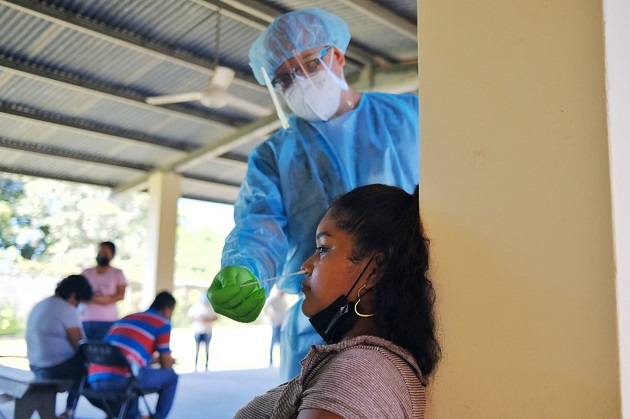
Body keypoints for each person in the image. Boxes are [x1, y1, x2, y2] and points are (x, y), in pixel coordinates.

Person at [209, 8, 420, 381]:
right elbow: (259, 225)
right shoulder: (275, 155)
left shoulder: (412, 117)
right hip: (319, 324)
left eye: (308, 63)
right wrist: (247, 266)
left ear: (337, 56)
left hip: (412, 302)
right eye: (284, 78)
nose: (298, 81)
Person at [234, 184, 440, 418]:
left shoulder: (357, 374)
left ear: (374, 270)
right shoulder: (370, 368)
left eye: (323, 248)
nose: (305, 266)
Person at [87, 291, 179, 419]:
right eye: (172, 312)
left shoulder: (128, 317)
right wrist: (168, 360)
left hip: (94, 378)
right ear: (167, 309)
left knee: (137, 374)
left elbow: (125, 355)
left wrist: (154, 360)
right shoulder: (162, 322)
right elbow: (166, 364)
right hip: (123, 379)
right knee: (171, 377)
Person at [26, 274, 93, 419]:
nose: (78, 306)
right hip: (55, 369)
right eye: (79, 301)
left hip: (35, 366)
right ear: (73, 296)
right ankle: (118, 410)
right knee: (95, 370)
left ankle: (69, 410)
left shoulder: (41, 304)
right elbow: (81, 345)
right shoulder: (66, 309)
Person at [80, 241, 128, 340]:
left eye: (105, 253)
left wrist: (105, 300)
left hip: (108, 320)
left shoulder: (117, 273)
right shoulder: (87, 272)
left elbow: (121, 295)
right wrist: (101, 300)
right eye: (100, 253)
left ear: (112, 255)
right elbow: (79, 293)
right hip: (86, 319)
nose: (102, 256)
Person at [187, 294, 218, 371]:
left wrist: (208, 319)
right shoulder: (196, 305)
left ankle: (206, 366)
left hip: (207, 331)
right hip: (198, 330)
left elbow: (216, 317)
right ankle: (195, 366)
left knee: (207, 349)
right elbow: (190, 315)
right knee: (197, 349)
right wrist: (199, 319)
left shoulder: (211, 306)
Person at [264, 287, 287, 366]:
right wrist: (271, 317)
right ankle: (271, 360)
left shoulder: (283, 299)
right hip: (276, 322)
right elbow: (266, 307)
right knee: (273, 341)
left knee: (282, 342)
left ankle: (282, 360)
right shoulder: (275, 298)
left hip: (282, 322)